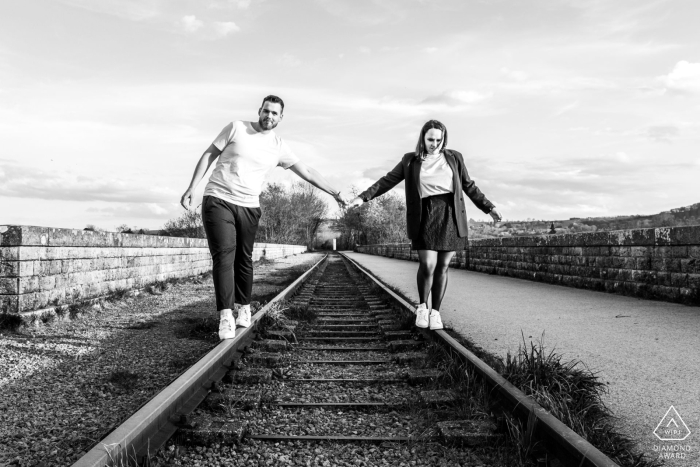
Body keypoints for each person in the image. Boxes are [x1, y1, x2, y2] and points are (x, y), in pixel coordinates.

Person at [180, 95, 345, 340]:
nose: (269, 116)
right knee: (225, 256)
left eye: (274, 113)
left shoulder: (278, 146)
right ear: (259, 111)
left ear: (281, 117)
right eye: (266, 111)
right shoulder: (237, 128)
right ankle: (226, 315)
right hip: (218, 199)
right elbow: (208, 155)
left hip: (249, 206)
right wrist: (192, 187)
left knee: (244, 259)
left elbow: (307, 172)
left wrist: (335, 193)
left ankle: (244, 307)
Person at [347, 120, 502, 330]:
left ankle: (436, 312)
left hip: (451, 215)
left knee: (443, 266)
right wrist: (362, 198)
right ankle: (422, 306)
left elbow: (468, 185)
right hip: (424, 215)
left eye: (439, 140)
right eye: (431, 139)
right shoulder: (410, 160)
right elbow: (387, 181)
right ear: (423, 138)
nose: (435, 144)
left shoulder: (455, 157)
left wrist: (488, 207)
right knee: (428, 264)